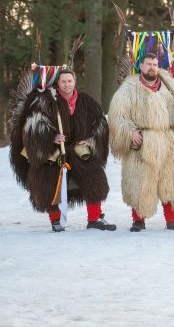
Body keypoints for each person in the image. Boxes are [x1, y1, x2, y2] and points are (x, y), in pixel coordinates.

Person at [9, 69, 116, 231]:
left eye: (70, 81)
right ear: (58, 83)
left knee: (93, 173)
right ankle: (56, 220)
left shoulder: (86, 101)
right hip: (52, 150)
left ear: (75, 82)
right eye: (63, 81)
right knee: (47, 176)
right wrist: (51, 138)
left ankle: (95, 218)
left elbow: (100, 123)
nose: (67, 84)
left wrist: (90, 141)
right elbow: (34, 124)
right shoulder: (46, 100)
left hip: (78, 149)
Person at [108, 52, 174, 232]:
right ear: (141, 67)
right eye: (148, 64)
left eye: (155, 64)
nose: (152, 67)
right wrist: (129, 131)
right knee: (140, 181)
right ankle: (138, 220)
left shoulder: (172, 85)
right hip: (143, 142)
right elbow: (117, 116)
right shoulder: (128, 89)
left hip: (169, 140)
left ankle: (172, 219)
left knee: (171, 181)